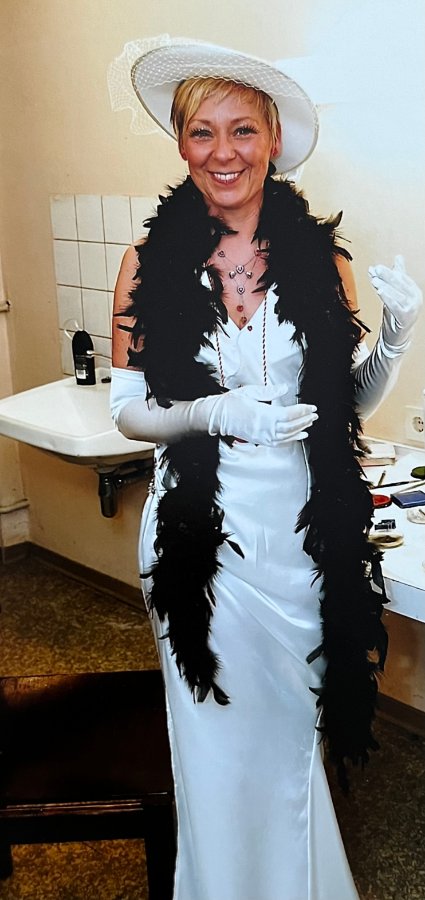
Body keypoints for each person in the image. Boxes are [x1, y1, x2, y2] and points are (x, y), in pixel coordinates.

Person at [109, 39, 422, 900]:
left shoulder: (322, 261)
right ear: (180, 143)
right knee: (214, 747)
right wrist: (212, 414)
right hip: (197, 541)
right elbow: (128, 412)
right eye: (201, 131)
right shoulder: (145, 262)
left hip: (297, 542)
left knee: (286, 746)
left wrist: (394, 342)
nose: (223, 152)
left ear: (273, 139)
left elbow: (343, 405)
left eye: (242, 129)